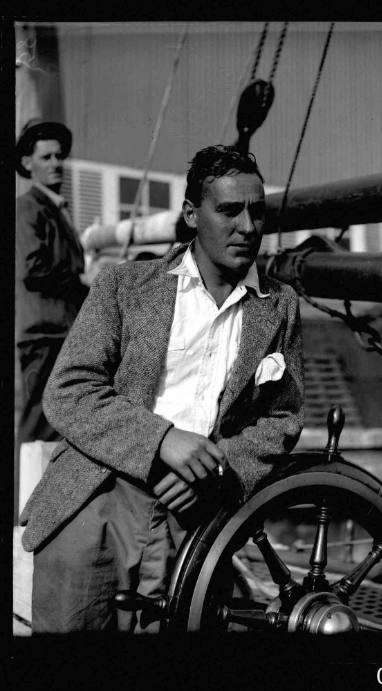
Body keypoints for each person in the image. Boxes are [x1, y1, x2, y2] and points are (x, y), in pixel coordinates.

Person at [20, 144, 304, 633]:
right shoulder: (124, 284)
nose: (248, 226)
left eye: (258, 212)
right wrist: (161, 441)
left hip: (196, 517)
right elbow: (68, 389)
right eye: (229, 210)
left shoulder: (279, 307)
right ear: (192, 215)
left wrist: (217, 467)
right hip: (98, 500)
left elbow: (283, 417)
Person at [16, 118, 89, 443]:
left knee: (56, 426)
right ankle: (21, 493)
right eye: (47, 157)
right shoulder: (28, 208)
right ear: (26, 163)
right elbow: (33, 269)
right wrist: (83, 279)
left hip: (62, 334)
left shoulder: (57, 211)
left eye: (59, 156)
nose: (56, 164)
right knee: (37, 426)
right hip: (45, 335)